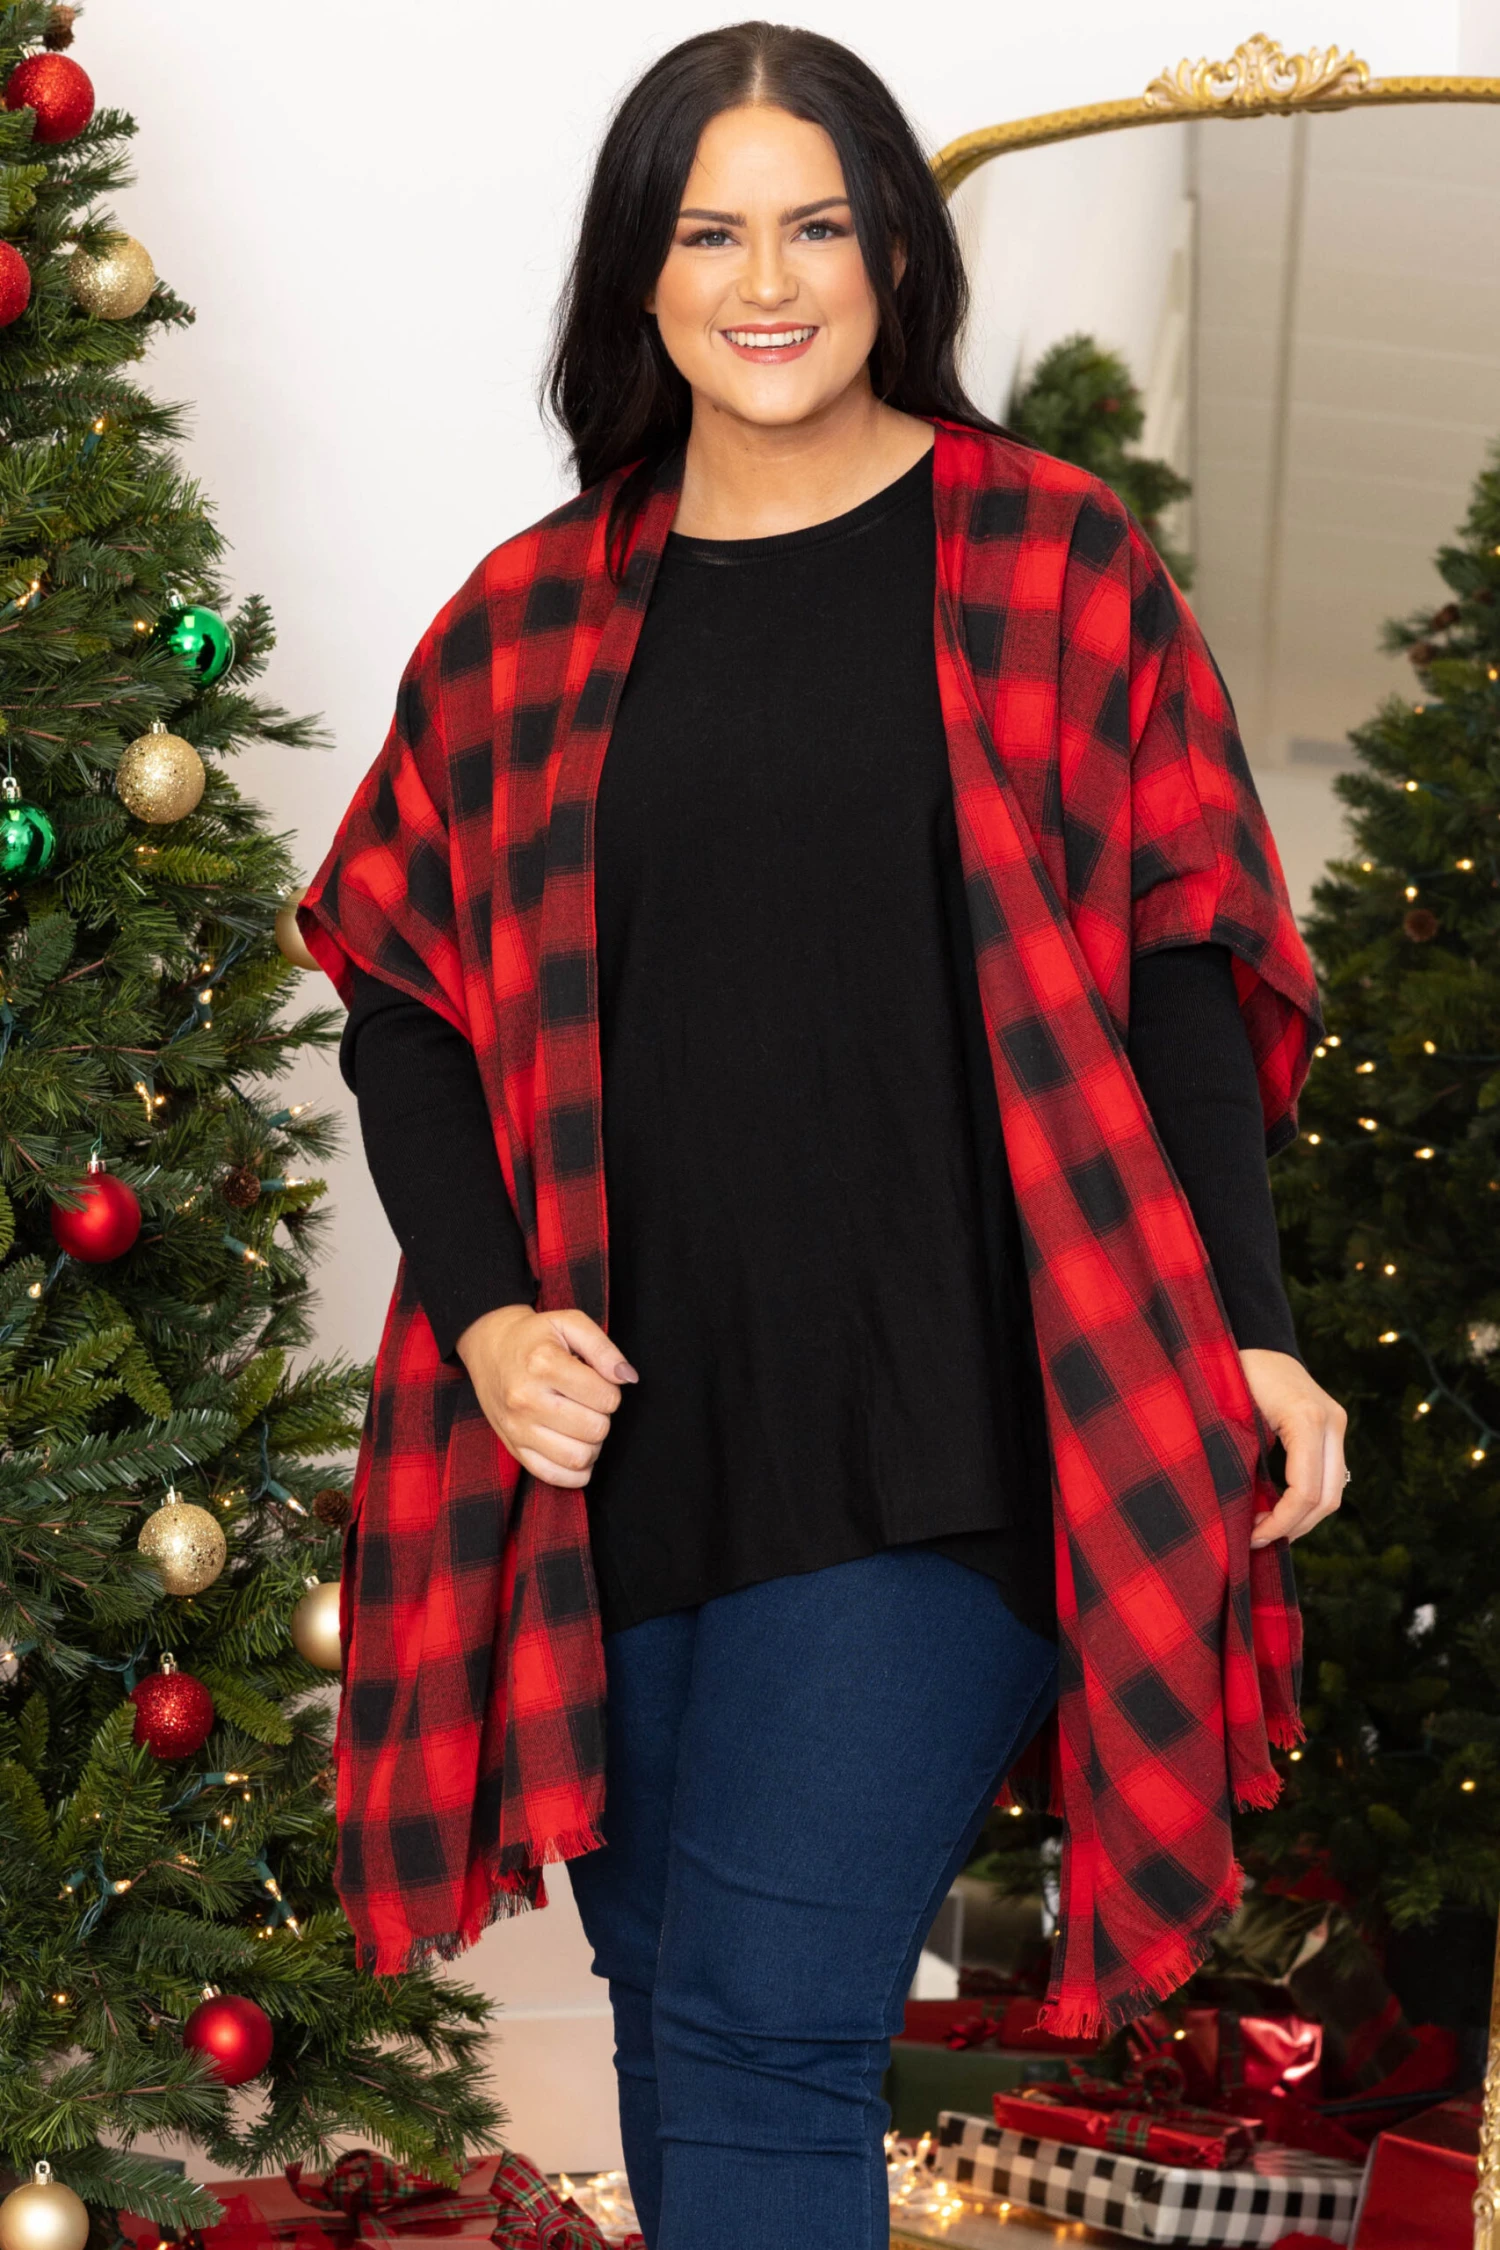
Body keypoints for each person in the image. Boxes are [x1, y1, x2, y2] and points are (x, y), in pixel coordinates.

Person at [298, 23, 1348, 2250]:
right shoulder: (523, 621)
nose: (766, 283)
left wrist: (1247, 1328)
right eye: (710, 233)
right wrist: (486, 1322)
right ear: (640, 272)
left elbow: (1182, 961)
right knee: (681, 2019)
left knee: (767, 2027)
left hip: (951, 1427)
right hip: (628, 1446)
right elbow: (404, 996)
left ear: (894, 256)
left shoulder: (1052, 557)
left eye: (817, 227)